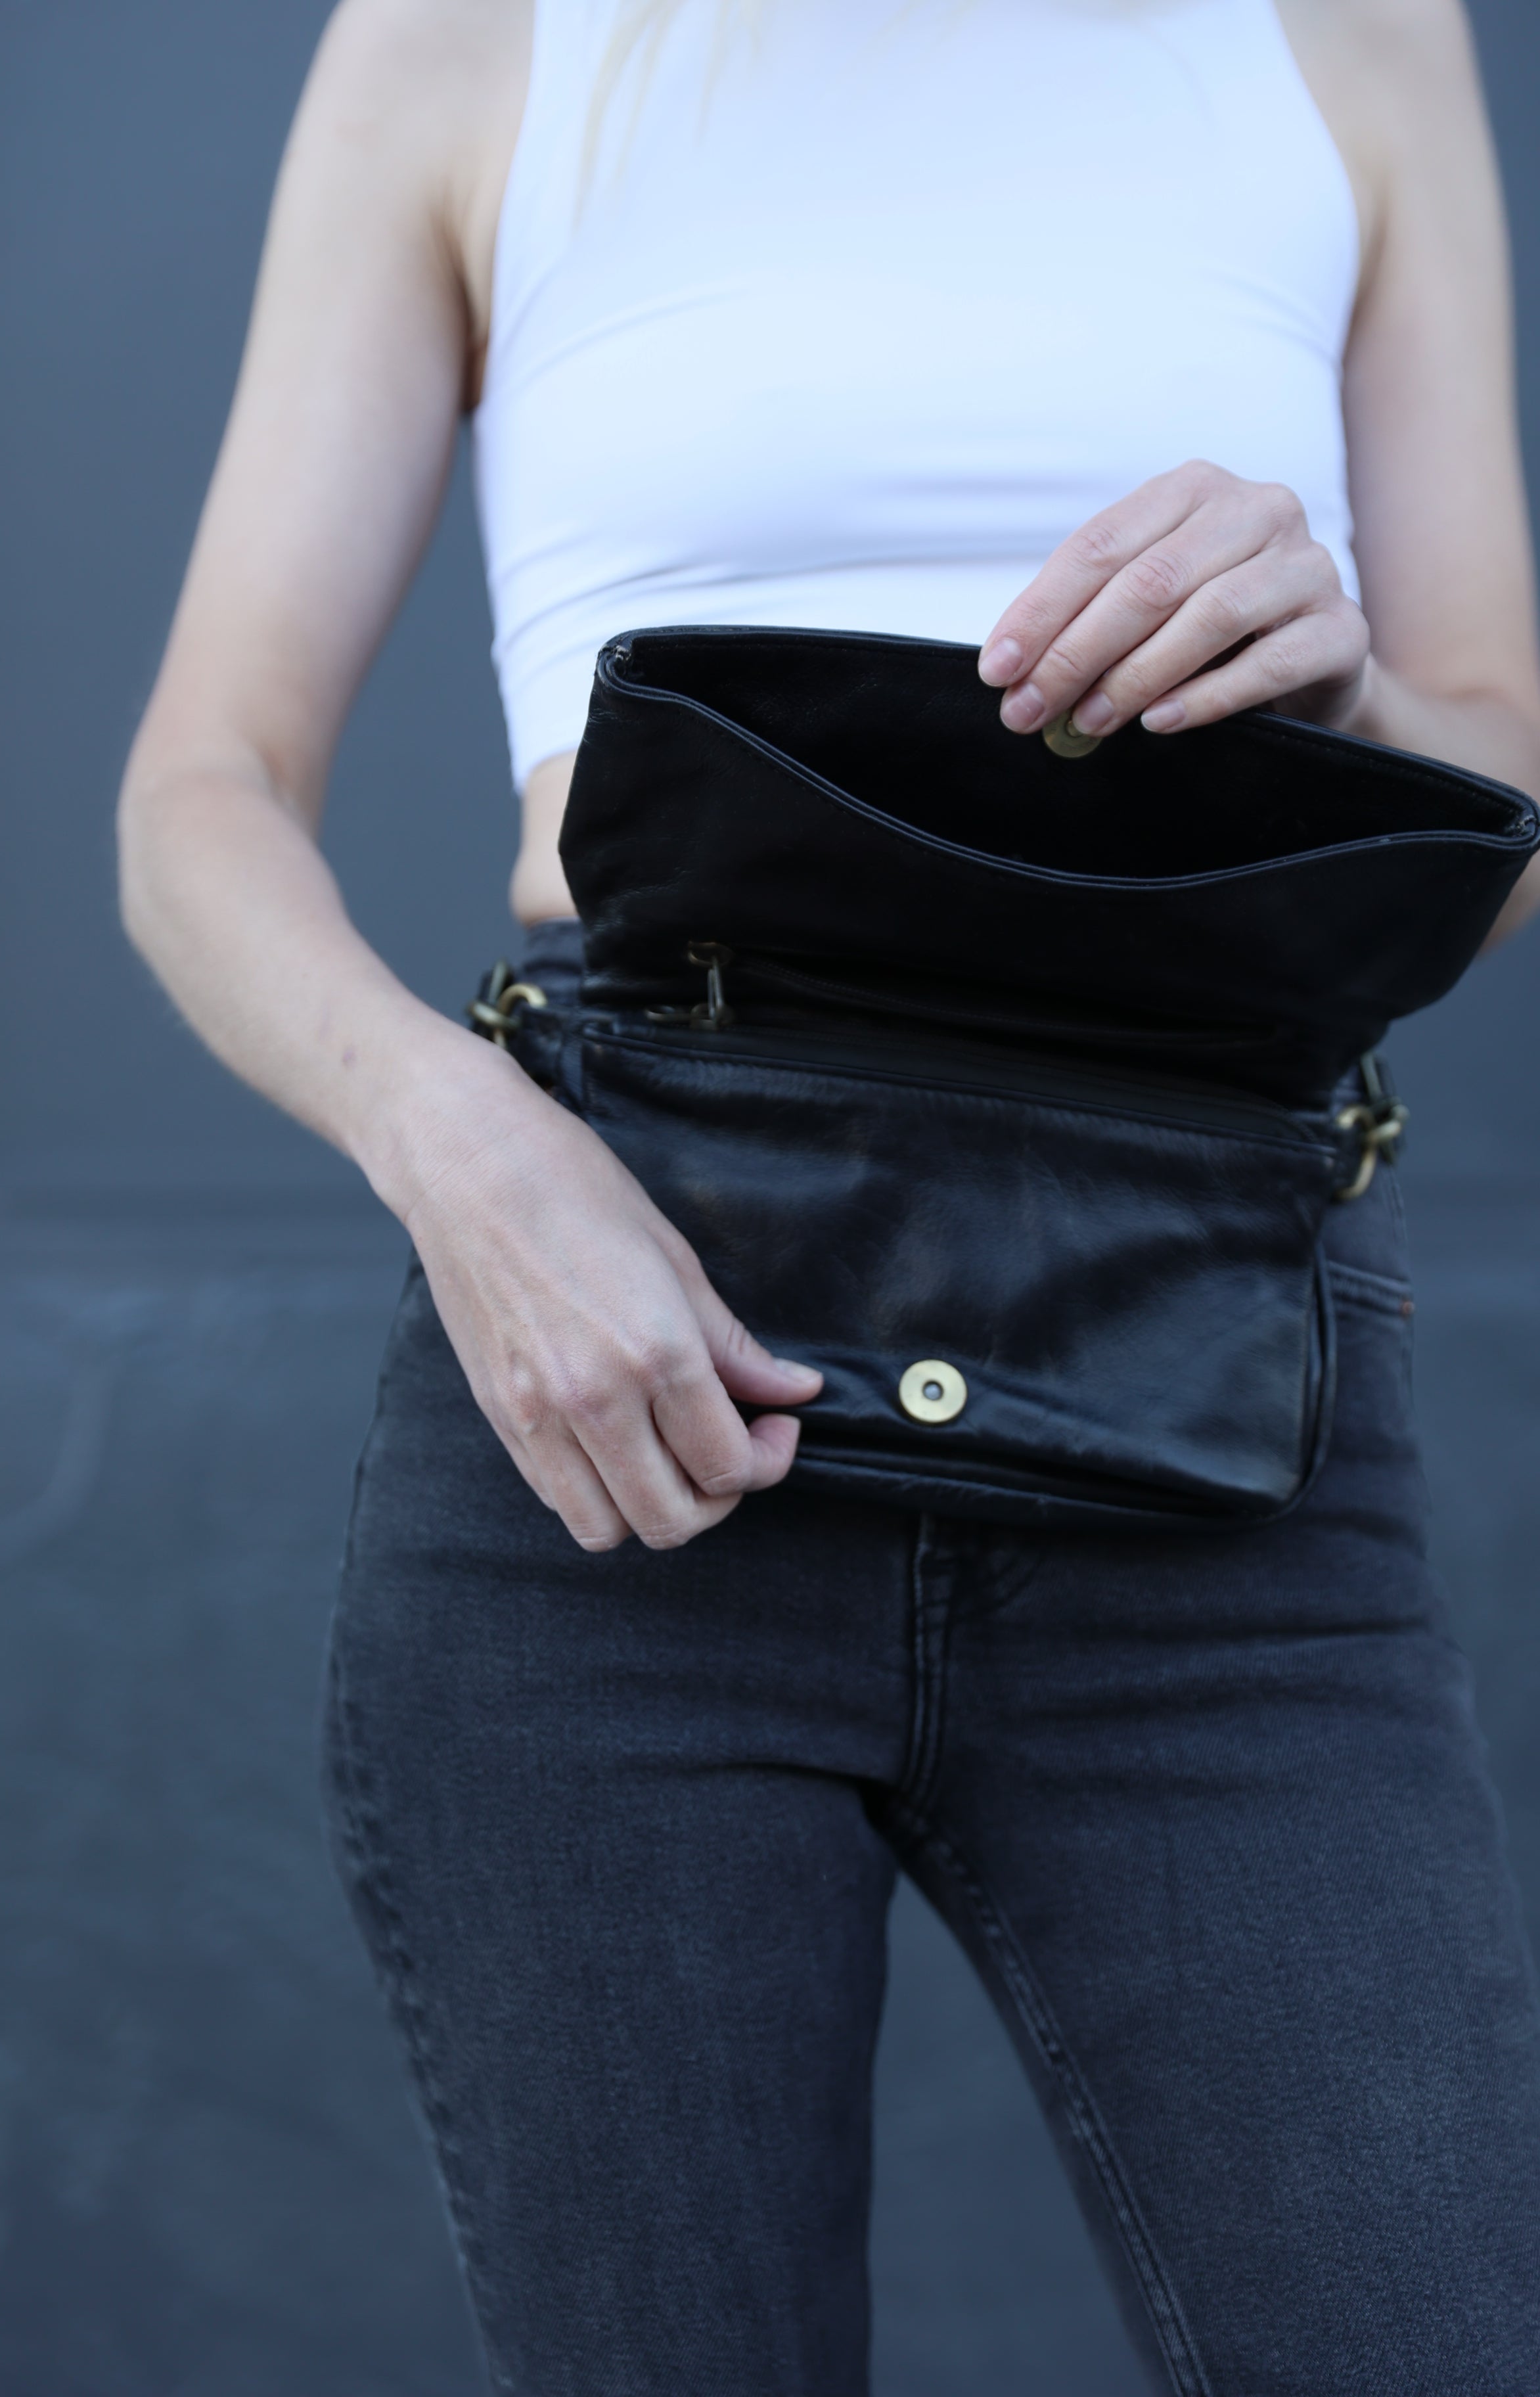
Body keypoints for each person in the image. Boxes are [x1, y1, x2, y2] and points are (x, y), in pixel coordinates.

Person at [118, 0, 1540, 2386]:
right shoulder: (472, 43)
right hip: (621, 1403)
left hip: (1214, 1426)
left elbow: (1496, 792)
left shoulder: (1351, 35)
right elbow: (201, 791)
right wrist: (457, 1140)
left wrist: (1352, 690)